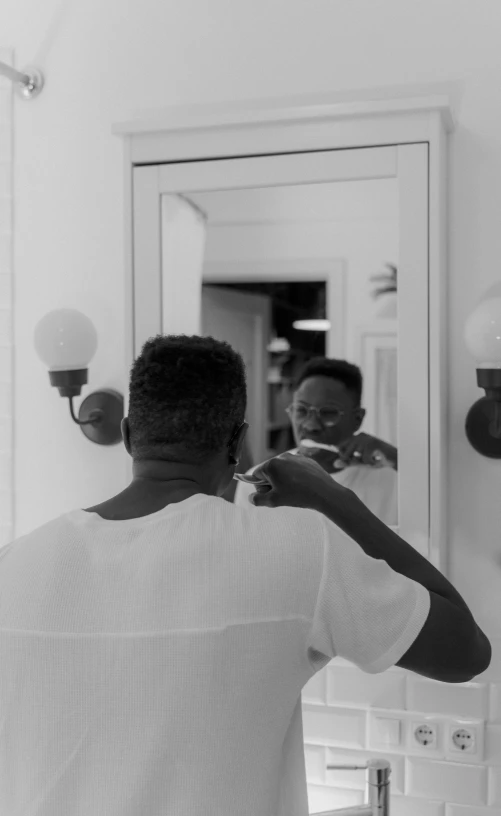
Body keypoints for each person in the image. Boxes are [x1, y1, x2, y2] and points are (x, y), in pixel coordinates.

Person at [0, 334, 490, 816]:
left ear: (128, 435)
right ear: (237, 441)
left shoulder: (12, 565)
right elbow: (465, 653)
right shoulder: (298, 549)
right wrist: (335, 499)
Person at [234, 357, 399, 525]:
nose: (311, 425)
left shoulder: (392, 482)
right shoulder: (257, 482)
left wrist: (397, 458)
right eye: (301, 410)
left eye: (328, 413)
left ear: (357, 419)